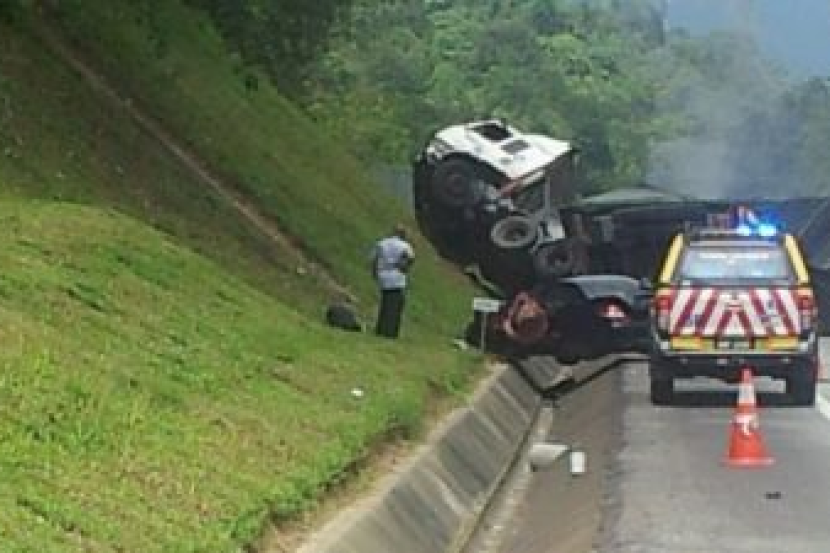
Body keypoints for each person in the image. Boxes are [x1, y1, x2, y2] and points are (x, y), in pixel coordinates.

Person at [371, 224, 414, 338]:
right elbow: (409, 259)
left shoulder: (382, 243)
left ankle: (380, 328)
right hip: (397, 277)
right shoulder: (405, 246)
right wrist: (404, 268)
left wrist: (375, 273)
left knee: (385, 303)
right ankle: (390, 330)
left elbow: (374, 259)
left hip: (383, 275)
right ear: (403, 234)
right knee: (395, 305)